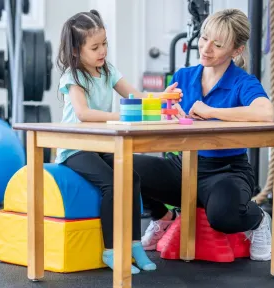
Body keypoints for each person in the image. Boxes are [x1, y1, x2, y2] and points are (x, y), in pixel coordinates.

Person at [139, 8, 274, 262]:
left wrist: (211, 111)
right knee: (122, 166)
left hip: (226, 170)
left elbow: (266, 112)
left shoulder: (242, 82)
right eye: (204, 38)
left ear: (236, 51)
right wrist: (163, 108)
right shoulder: (183, 76)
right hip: (183, 167)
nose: (205, 48)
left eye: (218, 44)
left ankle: (258, 220)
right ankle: (164, 217)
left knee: (223, 217)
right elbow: (167, 117)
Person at [54, 9, 182, 274]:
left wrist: (161, 97)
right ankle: (111, 250)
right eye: (95, 47)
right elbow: (83, 114)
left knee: (133, 178)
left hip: (100, 146)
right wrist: (120, 116)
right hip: (75, 148)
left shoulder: (108, 70)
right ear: (77, 51)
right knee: (112, 184)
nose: (102, 51)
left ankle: (134, 246)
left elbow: (135, 95)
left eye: (105, 44)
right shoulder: (73, 77)